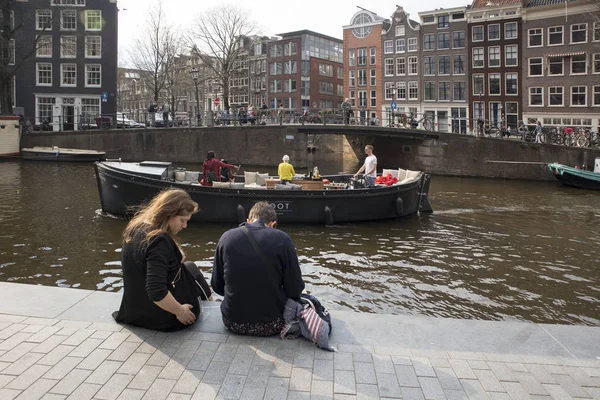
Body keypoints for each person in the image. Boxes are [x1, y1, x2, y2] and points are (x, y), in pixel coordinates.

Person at [113, 188, 212, 332]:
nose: (185, 226)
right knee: (192, 270)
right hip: (161, 317)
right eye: (182, 220)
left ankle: (210, 302)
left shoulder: (135, 227)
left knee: (189, 266)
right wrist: (180, 311)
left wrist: (175, 250)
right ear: (169, 214)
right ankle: (212, 305)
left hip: (134, 312)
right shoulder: (159, 241)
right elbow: (156, 290)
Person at [211, 201, 305, 336]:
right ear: (273, 224)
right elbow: (294, 289)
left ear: (248, 221)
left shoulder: (227, 237)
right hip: (272, 324)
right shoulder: (283, 239)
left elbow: (217, 286)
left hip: (232, 322)